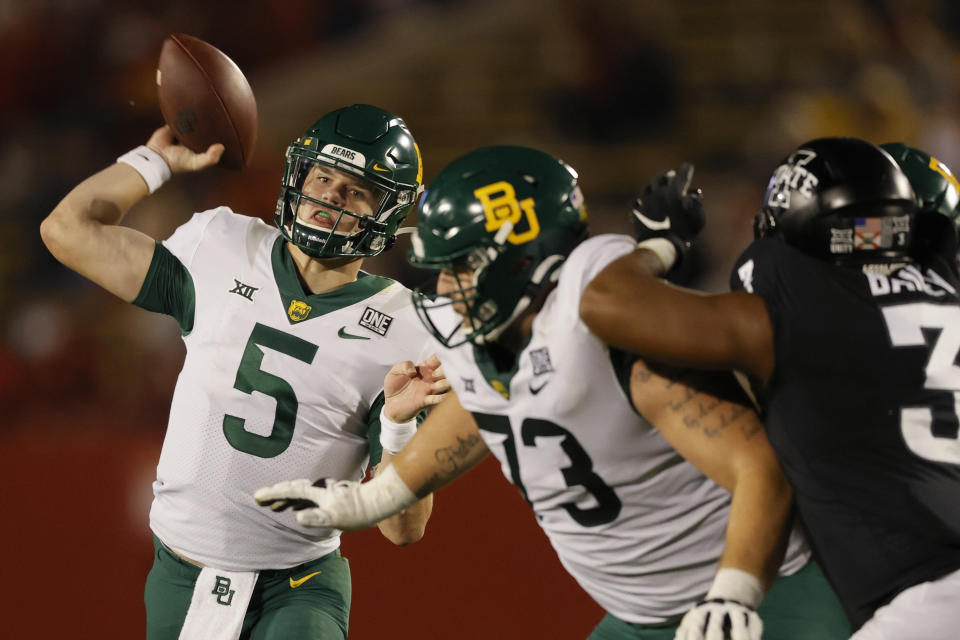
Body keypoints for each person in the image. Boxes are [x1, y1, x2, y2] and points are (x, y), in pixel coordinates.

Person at [255, 146, 850, 640]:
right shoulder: (483, 344)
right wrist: (366, 499)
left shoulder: (607, 329)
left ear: (520, 258)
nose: (444, 287)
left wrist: (735, 593)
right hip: (637, 617)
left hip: (759, 597)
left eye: (461, 265)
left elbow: (760, 470)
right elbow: (490, 411)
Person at [40, 104, 444, 640]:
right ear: (300, 173)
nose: (329, 196)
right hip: (180, 572)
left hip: (297, 582)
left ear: (387, 211)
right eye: (323, 176)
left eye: (356, 189)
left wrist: (396, 426)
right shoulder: (222, 244)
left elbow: (403, 528)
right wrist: (153, 162)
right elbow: (67, 230)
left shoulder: (407, 329)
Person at [554, 137, 957, 638]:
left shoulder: (800, 300)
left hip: (929, 597)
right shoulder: (945, 295)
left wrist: (663, 242)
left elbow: (607, 303)